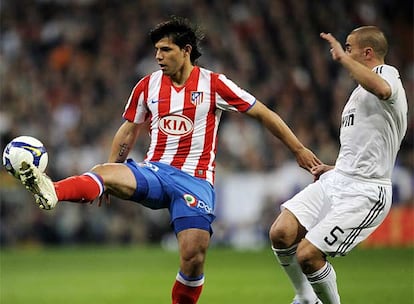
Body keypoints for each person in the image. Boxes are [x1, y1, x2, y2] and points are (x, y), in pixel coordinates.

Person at [17, 16, 320, 304]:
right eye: (156, 51)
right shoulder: (147, 85)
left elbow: (263, 113)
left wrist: (298, 149)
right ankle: (52, 190)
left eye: (165, 49)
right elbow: (128, 130)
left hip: (196, 181)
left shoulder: (215, 84)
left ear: (186, 50)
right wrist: (110, 172)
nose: (158, 56)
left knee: (193, 257)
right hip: (155, 172)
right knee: (103, 172)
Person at [269, 25, 408, 304]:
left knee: (308, 254)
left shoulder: (386, 74)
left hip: (366, 193)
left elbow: (382, 89)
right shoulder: (357, 93)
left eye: (348, 47)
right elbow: (367, 144)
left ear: (367, 52)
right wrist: (338, 168)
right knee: (281, 233)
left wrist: (343, 60)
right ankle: (305, 297)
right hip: (340, 179)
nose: (343, 53)